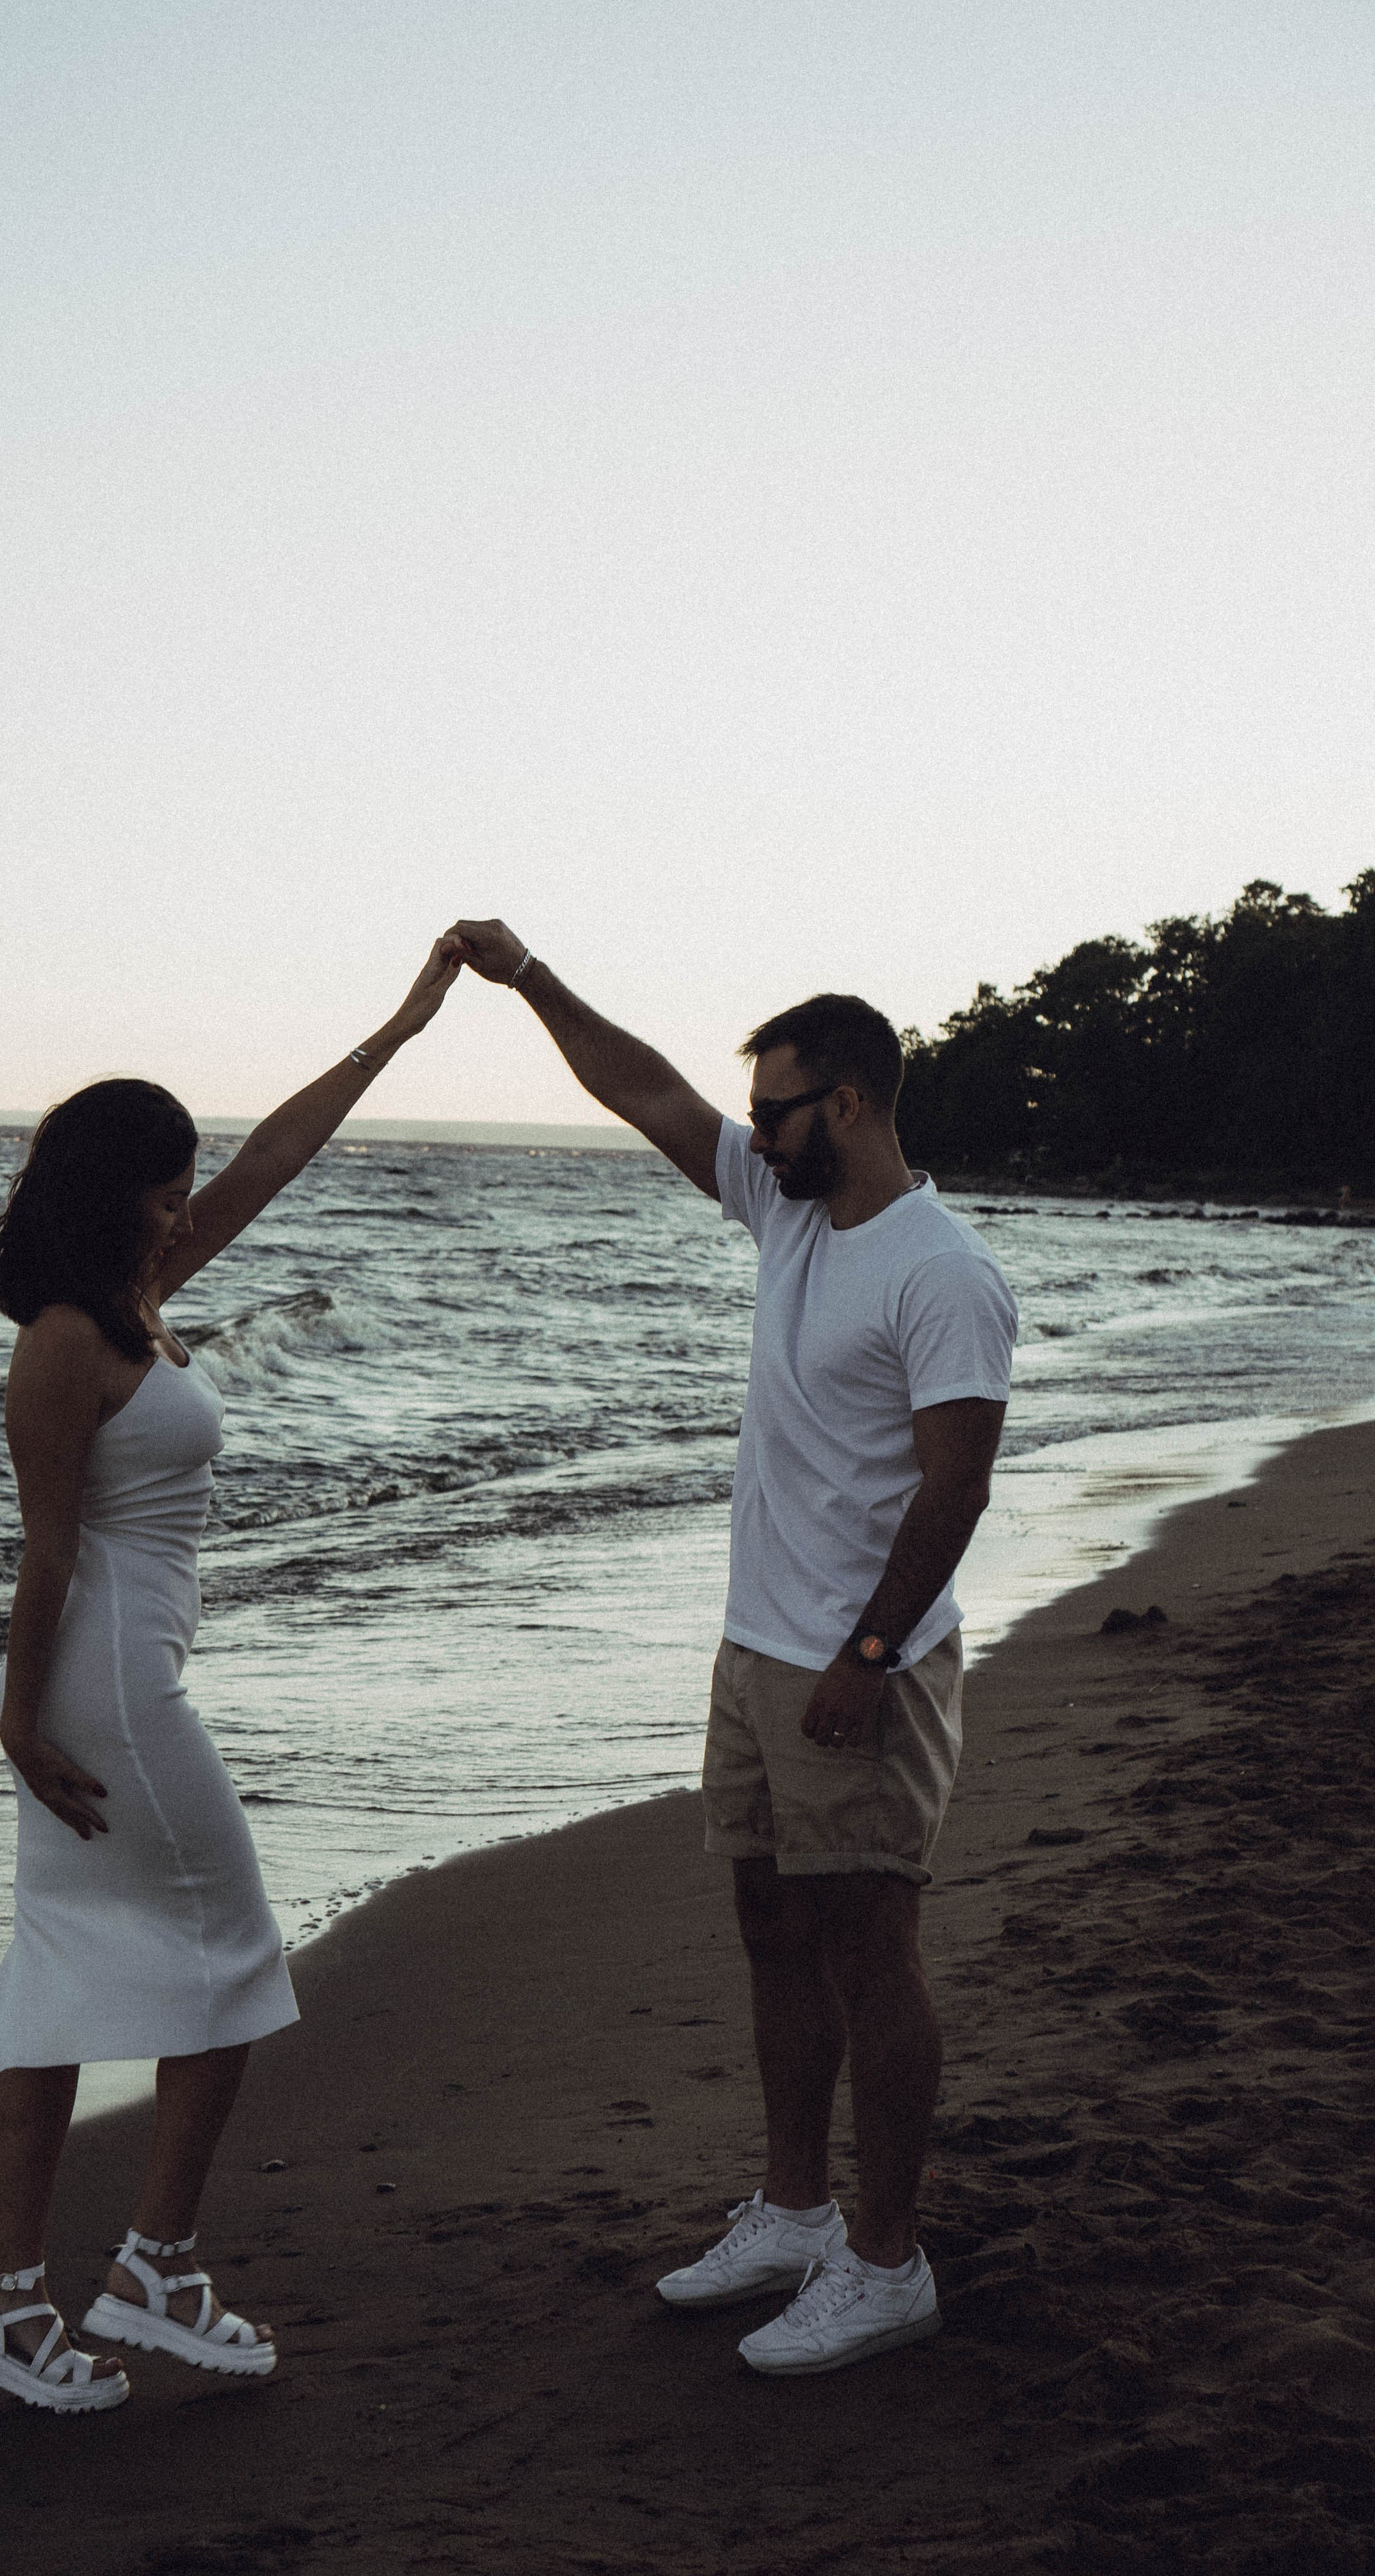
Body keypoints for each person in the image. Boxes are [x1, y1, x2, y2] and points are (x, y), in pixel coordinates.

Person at [445, 920, 1016, 2378]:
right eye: (752, 1113)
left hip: (859, 1666)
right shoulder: (788, 1214)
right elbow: (638, 1091)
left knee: (867, 1944)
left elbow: (954, 1484)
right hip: (755, 1649)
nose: (749, 1135)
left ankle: (885, 2266)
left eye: (773, 1109)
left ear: (851, 1104)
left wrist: (869, 1652)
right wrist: (530, 982)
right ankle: (791, 2211)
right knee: (770, 1926)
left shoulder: (939, 1271)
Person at [0, 940, 461, 2413]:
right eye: (166, 1181)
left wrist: (402, 1024)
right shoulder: (59, 1342)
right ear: (111, 1189)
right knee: (231, 1960)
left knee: (60, 1979)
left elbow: (278, 1159)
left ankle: (12, 2300)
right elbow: (44, 1557)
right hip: (108, 1691)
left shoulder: (140, 1294)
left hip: (120, 1672)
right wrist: (15, 1716)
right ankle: (144, 2271)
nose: (187, 1199)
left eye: (186, 1182)